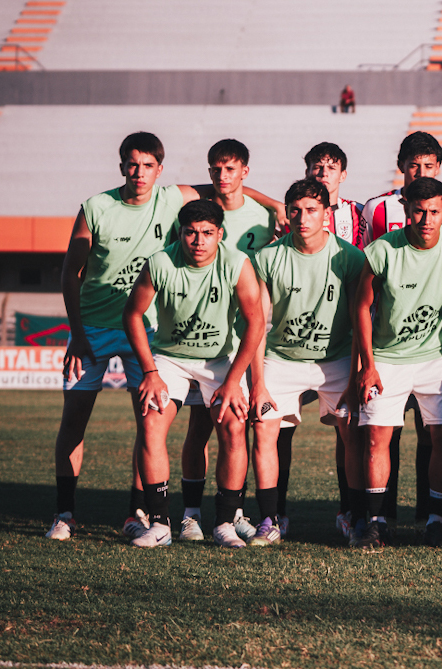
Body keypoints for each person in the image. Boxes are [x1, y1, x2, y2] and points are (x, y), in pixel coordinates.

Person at [47, 132, 196, 541]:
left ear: (160, 170)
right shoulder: (96, 207)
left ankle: (136, 512)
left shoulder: (172, 198)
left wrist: (273, 206)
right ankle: (64, 514)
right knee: (74, 422)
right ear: (121, 167)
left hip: (145, 334)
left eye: (148, 165)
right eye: (132, 164)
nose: (139, 172)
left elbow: (228, 189)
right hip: (91, 331)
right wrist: (77, 335)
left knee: (147, 426)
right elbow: (70, 273)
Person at [121, 199, 265, 548]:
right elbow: (132, 314)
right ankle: (159, 524)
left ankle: (225, 523)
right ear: (180, 234)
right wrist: (150, 371)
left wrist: (234, 381)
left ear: (220, 234)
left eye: (206, 233)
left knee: (233, 424)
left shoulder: (236, 262)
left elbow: (256, 322)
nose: (198, 241)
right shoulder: (160, 262)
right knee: (152, 421)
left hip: (219, 360)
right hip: (170, 358)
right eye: (190, 233)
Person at [354, 177, 442, 549]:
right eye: (418, 211)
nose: (426, 219)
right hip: (388, 358)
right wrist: (368, 364)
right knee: (378, 437)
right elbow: (361, 305)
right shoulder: (382, 249)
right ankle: (375, 522)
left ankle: (437, 521)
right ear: (406, 209)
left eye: (434, 212)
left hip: (439, 357)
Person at [249, 179, 365, 546]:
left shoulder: (350, 257)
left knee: (352, 434)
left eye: (312, 210)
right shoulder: (268, 257)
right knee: (264, 429)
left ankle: (352, 516)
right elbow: (257, 325)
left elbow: (361, 320)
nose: (302, 218)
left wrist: (356, 374)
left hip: (337, 358)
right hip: (282, 358)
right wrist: (258, 383)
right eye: (295, 210)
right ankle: (270, 519)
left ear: (327, 214)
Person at [173, 138, 277, 542]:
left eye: (230, 169)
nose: (222, 176)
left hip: (244, 338)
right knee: (200, 426)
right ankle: (192, 513)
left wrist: (274, 205)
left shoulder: (264, 219)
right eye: (216, 168)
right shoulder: (199, 212)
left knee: (239, 427)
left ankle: (231, 513)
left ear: (244, 172)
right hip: (202, 336)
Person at [363, 131, 442, 240]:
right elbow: (363, 253)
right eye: (414, 166)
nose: (421, 173)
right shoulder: (376, 207)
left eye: (428, 166)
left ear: (437, 168)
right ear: (401, 166)